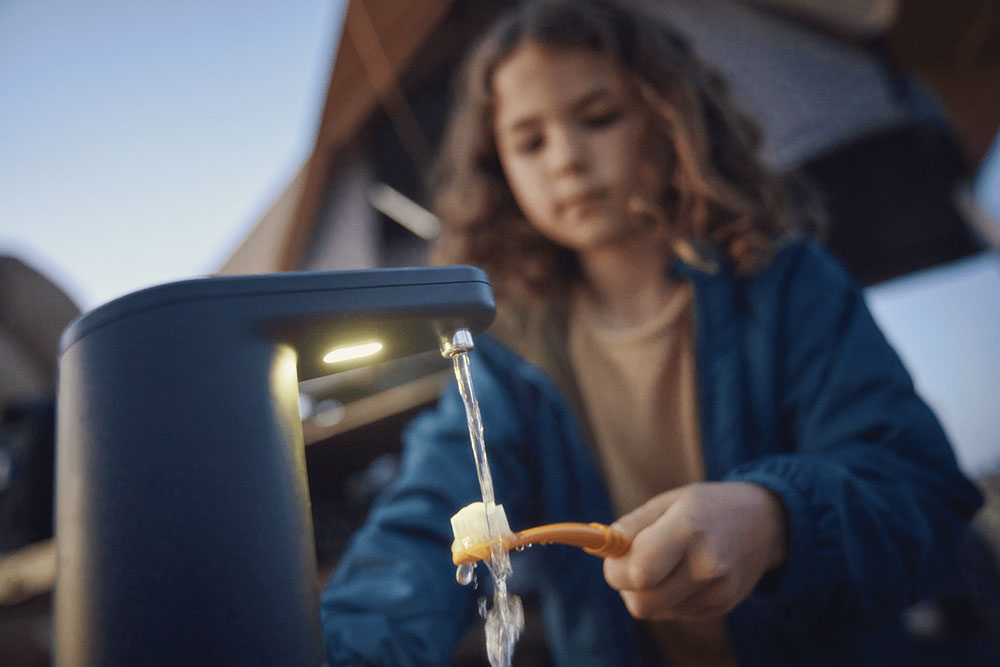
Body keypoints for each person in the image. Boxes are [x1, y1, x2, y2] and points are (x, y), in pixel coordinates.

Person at [320, 1, 983, 664]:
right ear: (500, 171)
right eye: (529, 141)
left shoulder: (790, 287)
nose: (568, 159)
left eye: (599, 117)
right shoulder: (504, 359)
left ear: (670, 117)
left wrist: (775, 519)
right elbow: (431, 521)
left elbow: (917, 491)